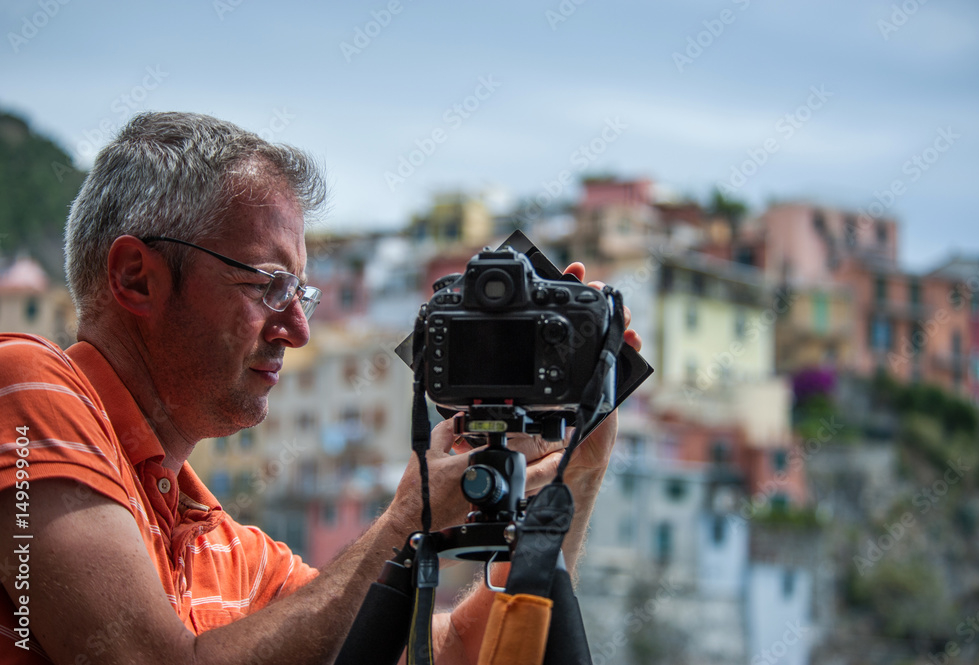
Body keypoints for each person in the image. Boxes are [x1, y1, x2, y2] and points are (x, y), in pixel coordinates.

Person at [0, 111, 641, 665]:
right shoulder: (22, 384)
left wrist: (576, 470)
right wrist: (404, 525)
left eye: (301, 293)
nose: (299, 330)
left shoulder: (235, 554)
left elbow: (453, 654)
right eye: (269, 286)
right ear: (138, 278)